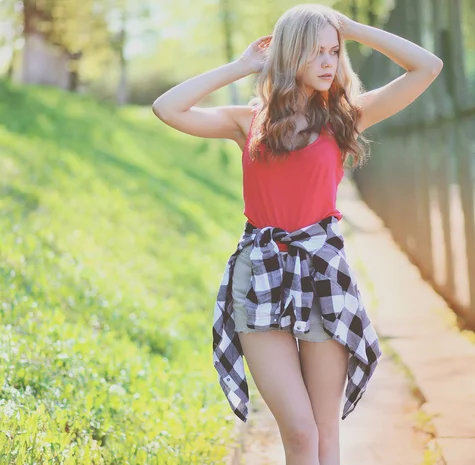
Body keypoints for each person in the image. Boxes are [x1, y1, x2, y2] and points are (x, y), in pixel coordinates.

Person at [152, 4, 442, 465]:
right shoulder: (248, 121)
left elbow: (428, 67)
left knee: (326, 429)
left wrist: (354, 30)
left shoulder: (345, 117)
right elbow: (166, 108)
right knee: (301, 431)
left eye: (334, 51)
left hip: (322, 270)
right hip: (261, 271)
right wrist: (242, 66)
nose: (329, 62)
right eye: (315, 53)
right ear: (288, 56)